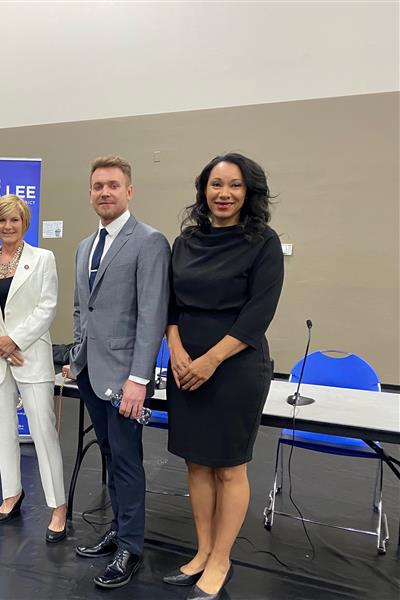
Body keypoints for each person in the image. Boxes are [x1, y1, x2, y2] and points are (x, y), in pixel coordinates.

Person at [162, 153, 284, 600]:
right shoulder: (186, 242)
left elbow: (257, 316)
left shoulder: (264, 243)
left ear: (248, 192)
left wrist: (210, 360)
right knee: (196, 463)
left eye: (234, 185)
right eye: (216, 184)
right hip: (184, 366)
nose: (224, 194)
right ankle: (202, 550)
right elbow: (170, 305)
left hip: (235, 367)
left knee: (230, 468)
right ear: (204, 191)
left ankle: (221, 558)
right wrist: (175, 350)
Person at [67, 155, 170, 588]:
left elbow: (152, 315)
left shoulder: (149, 241)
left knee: (127, 460)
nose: (104, 192)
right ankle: (119, 529)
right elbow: (82, 308)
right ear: (90, 193)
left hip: (126, 378)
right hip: (90, 373)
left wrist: (139, 379)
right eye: (97, 186)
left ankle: (131, 546)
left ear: (129, 191)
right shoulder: (85, 246)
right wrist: (76, 355)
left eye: (112, 185)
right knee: (109, 456)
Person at [0, 194, 67, 543]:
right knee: (3, 431)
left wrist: (14, 340)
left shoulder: (43, 259)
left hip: (30, 356)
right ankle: (11, 493)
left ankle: (58, 505)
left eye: (14, 220)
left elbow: (47, 307)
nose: (8, 227)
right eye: (2, 221)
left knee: (43, 431)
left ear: (24, 223)